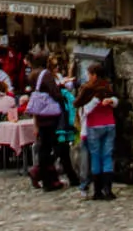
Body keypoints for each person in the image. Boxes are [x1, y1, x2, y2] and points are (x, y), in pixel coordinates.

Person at [25, 55, 73, 191]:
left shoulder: (33, 75)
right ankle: (45, 176)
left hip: (41, 115)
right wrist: (63, 94)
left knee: (45, 147)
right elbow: (55, 93)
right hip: (50, 115)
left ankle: (45, 176)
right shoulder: (45, 75)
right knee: (52, 147)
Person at [76, 63, 117, 201]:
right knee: (107, 155)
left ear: (94, 75)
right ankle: (108, 189)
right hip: (109, 123)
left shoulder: (88, 89)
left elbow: (85, 109)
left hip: (94, 125)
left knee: (96, 156)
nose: (88, 77)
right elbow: (115, 100)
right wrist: (110, 101)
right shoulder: (107, 86)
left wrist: (95, 101)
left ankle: (98, 190)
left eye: (89, 74)